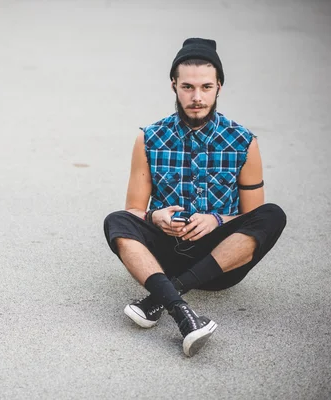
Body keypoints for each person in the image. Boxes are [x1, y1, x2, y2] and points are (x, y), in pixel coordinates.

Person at [103, 38, 286, 357]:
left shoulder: (243, 142)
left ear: (219, 87)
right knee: (116, 221)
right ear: (173, 85)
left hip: (219, 262)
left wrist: (216, 220)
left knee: (273, 215)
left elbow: (251, 217)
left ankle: (160, 297)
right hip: (164, 255)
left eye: (206, 87)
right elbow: (133, 210)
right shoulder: (150, 139)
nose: (197, 97)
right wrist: (153, 216)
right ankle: (184, 313)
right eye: (187, 86)